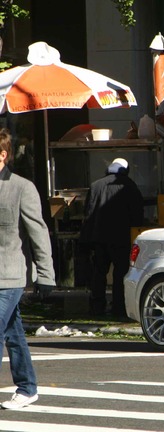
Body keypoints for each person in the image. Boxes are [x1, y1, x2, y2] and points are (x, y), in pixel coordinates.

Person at [0, 129, 55, 409]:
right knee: (12, 331)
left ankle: (26, 387)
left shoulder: (22, 187)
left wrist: (46, 275)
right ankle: (27, 387)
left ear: (3, 155)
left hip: (9, 275)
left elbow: (38, 232)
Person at [80, 158, 144, 316]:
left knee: (99, 272)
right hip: (121, 238)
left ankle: (97, 307)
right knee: (120, 273)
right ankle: (119, 307)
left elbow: (88, 213)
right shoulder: (129, 186)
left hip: (99, 237)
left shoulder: (96, 185)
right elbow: (137, 215)